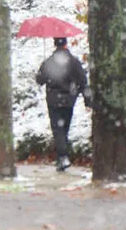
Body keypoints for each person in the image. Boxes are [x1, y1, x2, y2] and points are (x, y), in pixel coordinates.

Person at [35, 36, 91, 172]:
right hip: (69, 99)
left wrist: (40, 73)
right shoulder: (74, 62)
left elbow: (40, 80)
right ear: (66, 44)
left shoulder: (49, 62)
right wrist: (88, 101)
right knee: (64, 127)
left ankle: (63, 156)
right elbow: (83, 81)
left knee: (57, 128)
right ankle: (62, 157)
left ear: (55, 44)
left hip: (53, 100)